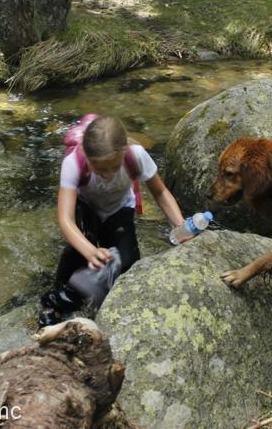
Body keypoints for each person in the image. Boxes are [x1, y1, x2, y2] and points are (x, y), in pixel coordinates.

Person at [39, 115, 186, 327]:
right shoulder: (73, 163)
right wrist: (90, 250)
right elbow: (65, 219)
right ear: (87, 157)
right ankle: (55, 302)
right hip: (87, 207)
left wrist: (180, 225)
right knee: (78, 253)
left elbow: (161, 193)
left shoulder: (136, 156)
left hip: (120, 208)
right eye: (100, 169)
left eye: (113, 167)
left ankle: (106, 306)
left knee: (127, 262)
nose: (108, 174)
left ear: (124, 151)